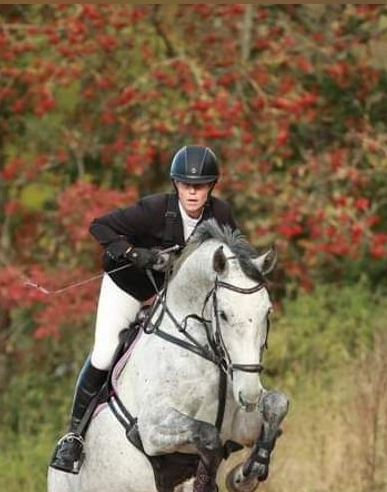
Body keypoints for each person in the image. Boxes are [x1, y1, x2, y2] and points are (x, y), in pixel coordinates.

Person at [49, 144, 242, 474]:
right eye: (185, 185)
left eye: (200, 185)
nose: (192, 192)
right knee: (106, 351)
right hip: (129, 287)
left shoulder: (220, 214)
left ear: (212, 186)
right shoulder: (154, 209)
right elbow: (100, 226)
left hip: (169, 294)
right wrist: (131, 252)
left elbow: (234, 257)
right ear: (175, 184)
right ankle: (74, 437)